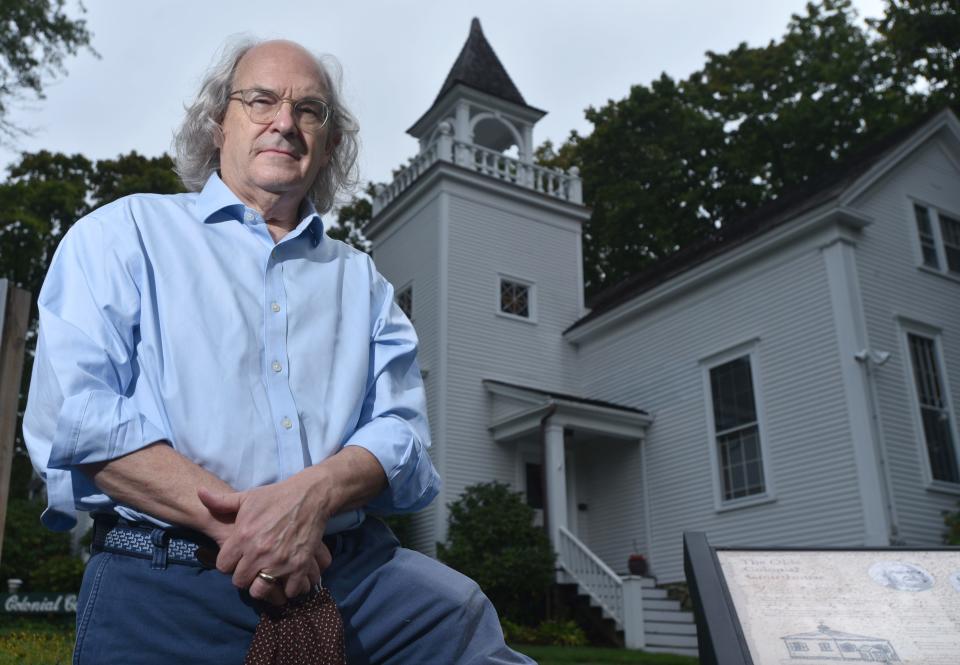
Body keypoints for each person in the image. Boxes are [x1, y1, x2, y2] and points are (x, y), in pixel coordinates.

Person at [24, 38, 534, 664]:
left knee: (461, 619)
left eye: (310, 110)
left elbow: (401, 436)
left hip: (357, 580)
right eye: (261, 99)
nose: (285, 122)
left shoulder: (364, 284)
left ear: (329, 145)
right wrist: (256, 531)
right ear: (219, 124)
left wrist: (312, 497)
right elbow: (75, 418)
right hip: (165, 580)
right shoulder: (121, 235)